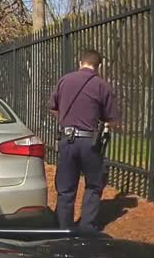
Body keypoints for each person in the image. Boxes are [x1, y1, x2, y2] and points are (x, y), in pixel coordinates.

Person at [49, 49, 118, 231]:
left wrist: (66, 120)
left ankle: (63, 229)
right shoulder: (102, 85)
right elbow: (112, 119)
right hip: (90, 142)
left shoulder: (64, 80)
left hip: (67, 140)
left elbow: (52, 107)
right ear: (98, 66)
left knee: (65, 189)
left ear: (80, 63)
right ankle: (86, 229)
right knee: (94, 185)